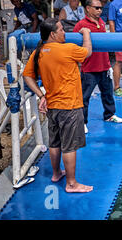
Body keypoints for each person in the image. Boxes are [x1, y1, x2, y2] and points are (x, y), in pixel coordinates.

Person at [22, 18, 93, 193]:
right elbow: (87, 52)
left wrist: (41, 95)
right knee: (69, 146)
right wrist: (86, 33)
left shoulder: (39, 52)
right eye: (61, 30)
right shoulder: (67, 49)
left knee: (55, 143)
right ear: (52, 34)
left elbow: (27, 76)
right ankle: (71, 184)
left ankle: (56, 173)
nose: (64, 33)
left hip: (52, 106)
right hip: (70, 106)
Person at [73, 0, 122, 134]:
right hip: (89, 68)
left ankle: (109, 115)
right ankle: (82, 122)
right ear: (88, 9)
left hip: (104, 66)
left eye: (101, 8)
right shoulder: (81, 25)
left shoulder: (101, 22)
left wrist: (108, 65)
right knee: (84, 98)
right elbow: (74, 46)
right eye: (97, 8)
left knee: (108, 94)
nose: (100, 10)